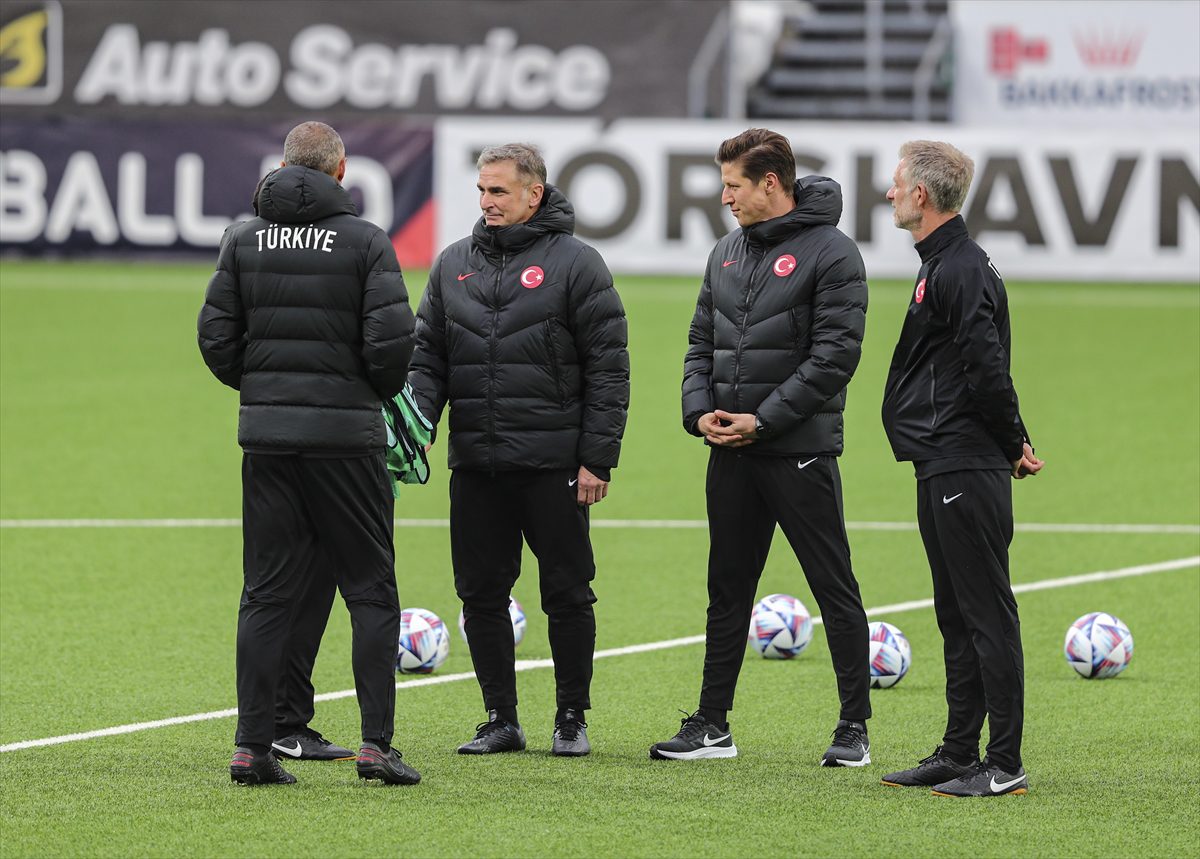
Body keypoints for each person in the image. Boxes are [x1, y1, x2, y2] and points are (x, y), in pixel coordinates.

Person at [198, 121, 421, 786]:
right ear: (340, 171)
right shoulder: (365, 241)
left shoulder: (243, 240)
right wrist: (360, 393)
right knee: (371, 589)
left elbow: (215, 337)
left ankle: (251, 746)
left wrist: (267, 388)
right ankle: (376, 745)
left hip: (267, 439)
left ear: (283, 167)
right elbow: (391, 346)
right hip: (346, 441)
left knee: (265, 594)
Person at [649, 128, 873, 766]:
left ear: (769, 184)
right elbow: (699, 342)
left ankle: (853, 728)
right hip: (732, 452)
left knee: (834, 586)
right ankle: (712, 726)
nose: (724, 197)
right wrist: (700, 415)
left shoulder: (832, 254)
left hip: (798, 450)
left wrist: (763, 421)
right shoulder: (725, 251)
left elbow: (835, 358)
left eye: (733, 185)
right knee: (728, 588)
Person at [407, 143, 629, 757]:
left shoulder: (579, 264)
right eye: (481, 190)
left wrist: (597, 458)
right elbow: (428, 358)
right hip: (476, 462)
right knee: (479, 592)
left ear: (534, 194)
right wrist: (417, 424)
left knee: (567, 592)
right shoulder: (453, 264)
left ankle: (571, 718)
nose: (487, 202)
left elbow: (609, 370)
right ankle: (500, 719)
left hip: (554, 464)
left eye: (499, 191)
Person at [879, 140, 1044, 797]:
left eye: (896, 185)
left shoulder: (959, 267)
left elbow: (985, 365)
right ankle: (957, 750)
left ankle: (1003, 761)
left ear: (921, 195)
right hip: (942, 457)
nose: (889, 194)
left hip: (965, 460)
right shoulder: (946, 262)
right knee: (955, 612)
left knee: (986, 613)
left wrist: (1010, 440)